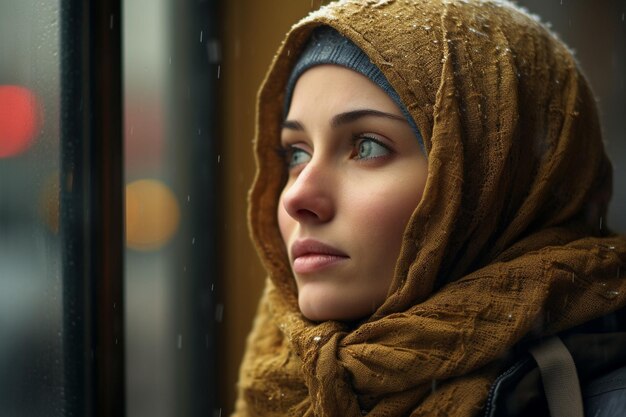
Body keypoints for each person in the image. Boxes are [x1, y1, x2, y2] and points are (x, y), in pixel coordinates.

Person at [233, 0, 626, 416]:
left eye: (366, 146)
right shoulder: (279, 379)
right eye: (296, 154)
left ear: (490, 180)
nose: (297, 198)